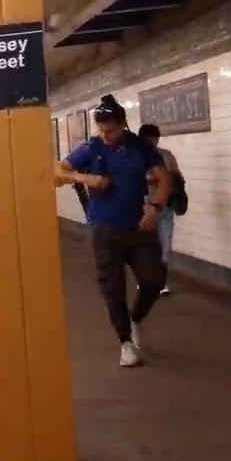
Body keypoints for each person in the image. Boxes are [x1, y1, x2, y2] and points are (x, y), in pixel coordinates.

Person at [55, 95, 171, 367]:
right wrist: (86, 178)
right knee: (113, 287)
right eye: (102, 130)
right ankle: (125, 343)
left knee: (154, 280)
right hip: (104, 229)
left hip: (139, 226)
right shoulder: (91, 148)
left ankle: (135, 318)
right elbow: (57, 172)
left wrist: (156, 209)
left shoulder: (140, 147)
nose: (106, 135)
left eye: (112, 130)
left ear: (123, 125)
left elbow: (165, 180)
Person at [138, 124, 182, 295]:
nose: (152, 143)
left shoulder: (166, 156)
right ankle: (147, 282)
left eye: (153, 140)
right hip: (144, 208)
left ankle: (161, 282)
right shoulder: (137, 157)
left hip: (164, 207)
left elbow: (177, 178)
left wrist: (162, 179)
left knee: (164, 246)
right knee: (147, 247)